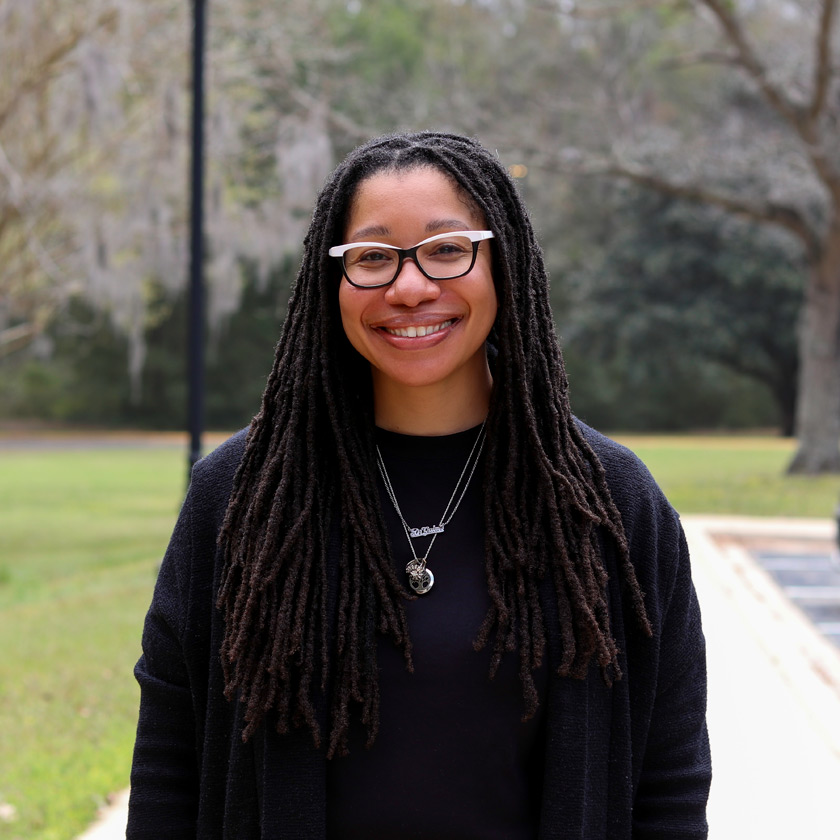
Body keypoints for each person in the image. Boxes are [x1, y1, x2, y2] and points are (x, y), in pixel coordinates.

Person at [127, 131, 711, 838]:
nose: (409, 287)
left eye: (446, 249)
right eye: (372, 257)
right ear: (331, 280)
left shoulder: (609, 502)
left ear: (503, 262)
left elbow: (668, 779)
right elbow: (169, 762)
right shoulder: (239, 496)